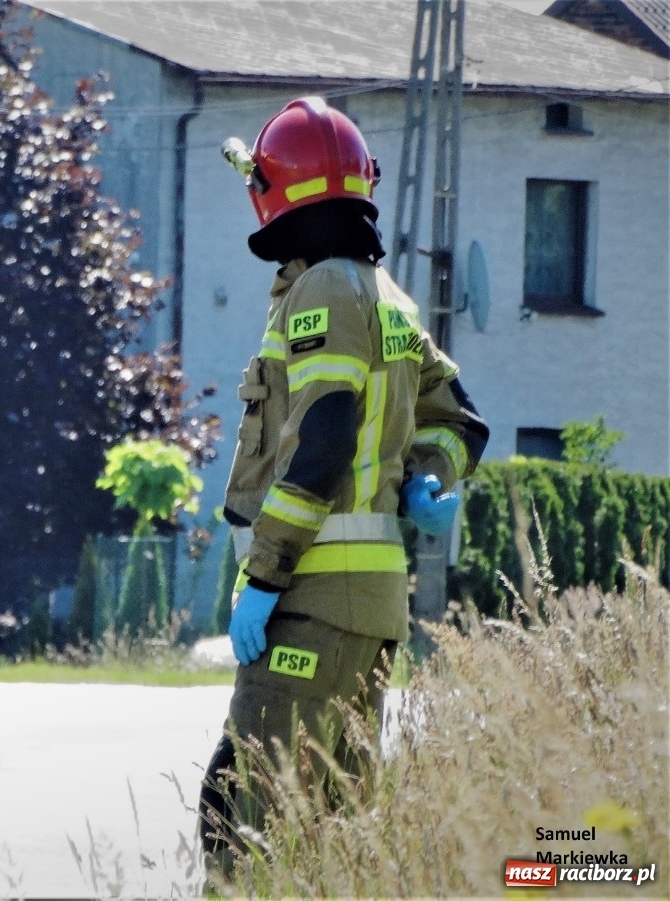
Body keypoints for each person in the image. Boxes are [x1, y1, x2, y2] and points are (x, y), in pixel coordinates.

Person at [199, 97, 489, 879]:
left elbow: (322, 441)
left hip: (311, 606)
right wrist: (426, 477)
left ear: (277, 193)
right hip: (367, 610)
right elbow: (463, 420)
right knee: (326, 825)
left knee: (239, 813)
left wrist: (261, 578)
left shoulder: (324, 289)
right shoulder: (387, 296)